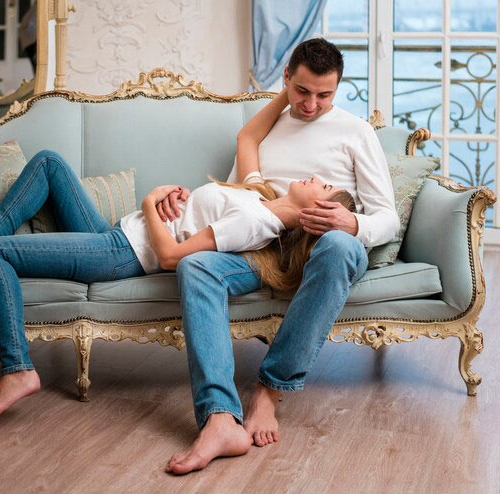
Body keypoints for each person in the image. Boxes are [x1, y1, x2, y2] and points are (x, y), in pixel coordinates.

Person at [0, 149, 354, 427]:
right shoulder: (259, 200)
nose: (316, 178)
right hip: (119, 232)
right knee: (49, 164)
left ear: (319, 208)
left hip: (122, 252)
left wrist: (151, 202)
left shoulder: (258, 222)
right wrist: (179, 198)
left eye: (325, 186)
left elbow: (171, 257)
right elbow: (201, 213)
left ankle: (16, 367)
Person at [163, 38, 399, 475]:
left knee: (340, 245)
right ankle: (218, 419)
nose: (311, 105)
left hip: (327, 246)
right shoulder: (268, 125)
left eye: (324, 95)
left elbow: (389, 217)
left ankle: (269, 391)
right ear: (286, 78)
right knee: (196, 265)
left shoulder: (356, 132)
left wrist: (354, 225)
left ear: (338, 88)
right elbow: (239, 196)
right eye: (302, 91)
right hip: (264, 243)